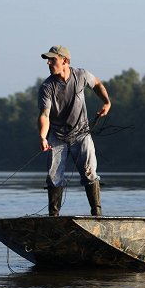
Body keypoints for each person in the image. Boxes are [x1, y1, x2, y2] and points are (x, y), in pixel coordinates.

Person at [37, 45, 112, 216]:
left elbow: (97, 84)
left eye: (52, 59)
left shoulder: (81, 75)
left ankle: (97, 215)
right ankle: (53, 218)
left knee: (89, 173)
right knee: (54, 177)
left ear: (65, 61)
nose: (48, 63)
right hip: (56, 137)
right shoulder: (47, 87)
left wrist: (106, 102)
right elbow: (44, 115)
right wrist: (42, 137)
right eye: (48, 60)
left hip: (81, 135)